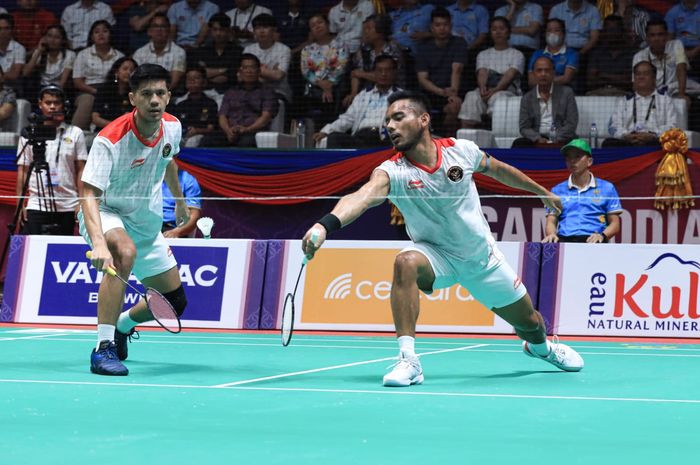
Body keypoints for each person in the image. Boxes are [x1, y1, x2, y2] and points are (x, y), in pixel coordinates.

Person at [301, 90, 584, 387]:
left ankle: (542, 349)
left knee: (531, 324)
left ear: (423, 119)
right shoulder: (391, 171)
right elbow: (361, 197)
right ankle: (408, 360)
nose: (390, 127)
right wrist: (324, 226)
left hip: (482, 260)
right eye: (387, 122)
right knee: (405, 262)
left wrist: (541, 191)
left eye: (398, 117)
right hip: (436, 256)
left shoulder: (460, 150)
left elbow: (501, 171)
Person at [81, 63, 190, 376]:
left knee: (175, 303)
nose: (154, 100)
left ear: (168, 96)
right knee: (123, 253)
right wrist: (99, 244)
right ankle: (102, 349)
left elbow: (168, 158)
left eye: (159, 93)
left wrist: (179, 200)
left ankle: (123, 326)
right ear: (132, 98)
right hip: (107, 211)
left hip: (145, 220)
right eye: (146, 94)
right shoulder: (110, 139)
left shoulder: (173, 127)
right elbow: (88, 194)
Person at [16, 85, 87, 235]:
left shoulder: (75, 133)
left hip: (68, 205)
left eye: (57, 103)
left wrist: (81, 201)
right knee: (32, 251)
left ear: (64, 105)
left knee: (60, 253)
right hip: (37, 204)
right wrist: (20, 203)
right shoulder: (29, 134)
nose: (53, 107)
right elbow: (23, 170)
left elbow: (81, 169)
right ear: (40, 104)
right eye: (48, 103)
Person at [542, 138, 622, 244]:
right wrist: (551, 234)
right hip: (565, 240)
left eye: (577, 156)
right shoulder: (557, 190)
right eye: (568, 157)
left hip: (594, 241)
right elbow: (551, 221)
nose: (572, 161)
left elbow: (615, 224)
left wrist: (602, 235)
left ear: (589, 161)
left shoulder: (607, 188)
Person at [313, 55, 400, 148]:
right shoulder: (363, 95)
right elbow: (347, 119)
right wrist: (326, 131)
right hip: (360, 138)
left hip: (383, 139)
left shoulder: (400, 97)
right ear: (374, 72)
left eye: (388, 70)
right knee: (333, 138)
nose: (383, 74)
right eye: (379, 70)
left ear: (394, 72)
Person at [458, 16, 524, 129]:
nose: (498, 32)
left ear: (508, 32)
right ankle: (465, 138)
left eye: (501, 28)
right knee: (471, 96)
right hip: (486, 90)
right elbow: (482, 72)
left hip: (507, 91)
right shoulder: (483, 54)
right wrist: (483, 87)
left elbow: (510, 75)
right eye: (494, 29)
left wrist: (496, 90)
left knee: (498, 99)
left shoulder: (517, 54)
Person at [202, 53, 278, 147]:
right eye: (245, 68)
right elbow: (222, 115)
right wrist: (228, 131)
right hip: (229, 131)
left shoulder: (267, 92)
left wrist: (247, 129)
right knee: (207, 141)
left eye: (252, 68)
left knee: (245, 143)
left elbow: (265, 117)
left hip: (253, 132)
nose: (249, 71)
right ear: (240, 72)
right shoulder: (231, 92)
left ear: (259, 71)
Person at [414, 7, 467, 137]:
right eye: (438, 25)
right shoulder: (423, 48)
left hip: (453, 90)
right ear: (431, 27)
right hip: (431, 93)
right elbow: (422, 79)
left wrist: (453, 92)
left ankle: (448, 141)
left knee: (454, 106)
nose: (442, 28)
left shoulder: (459, 43)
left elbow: (457, 70)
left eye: (445, 25)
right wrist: (441, 92)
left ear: (451, 26)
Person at [604, 61, 679, 148]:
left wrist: (653, 135)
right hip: (629, 142)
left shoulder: (665, 100)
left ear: (654, 78)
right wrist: (626, 135)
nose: (641, 77)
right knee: (608, 143)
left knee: (668, 144)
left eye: (645, 74)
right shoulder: (624, 101)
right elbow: (614, 127)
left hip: (654, 142)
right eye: (638, 74)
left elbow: (673, 126)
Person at [513, 56, 578, 147]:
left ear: (553, 73)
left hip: (561, 138)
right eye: (539, 70)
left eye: (547, 70)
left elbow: (571, 123)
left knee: (575, 145)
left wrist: (555, 138)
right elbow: (524, 127)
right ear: (534, 74)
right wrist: (537, 138)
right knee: (519, 144)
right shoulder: (527, 98)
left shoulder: (567, 93)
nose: (543, 74)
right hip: (537, 139)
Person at [71, 20, 125, 130]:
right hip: (88, 91)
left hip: (112, 90)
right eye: (97, 32)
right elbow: (78, 82)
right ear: (91, 37)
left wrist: (107, 92)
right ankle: (74, 136)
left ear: (110, 35)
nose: (101, 34)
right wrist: (98, 92)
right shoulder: (83, 54)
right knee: (88, 100)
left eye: (105, 31)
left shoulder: (119, 56)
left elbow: (121, 79)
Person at [633, 19, 690, 104]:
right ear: (647, 38)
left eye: (660, 35)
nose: (656, 39)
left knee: (685, 102)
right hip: (651, 96)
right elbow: (636, 84)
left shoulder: (676, 45)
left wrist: (681, 95)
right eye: (652, 35)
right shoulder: (639, 56)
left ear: (666, 36)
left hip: (675, 93)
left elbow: (681, 69)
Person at [187, 13, 242, 95]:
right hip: (204, 93)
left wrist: (210, 74)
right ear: (210, 31)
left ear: (228, 31)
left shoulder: (238, 51)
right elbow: (199, 74)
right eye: (215, 30)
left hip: (231, 93)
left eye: (222, 30)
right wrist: (224, 70)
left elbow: (234, 75)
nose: (218, 33)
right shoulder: (201, 51)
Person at [133, 14, 188, 93]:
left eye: (163, 26)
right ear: (149, 31)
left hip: (170, 97)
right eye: (155, 26)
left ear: (169, 30)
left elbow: (173, 82)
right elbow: (135, 80)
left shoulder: (179, 52)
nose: (159, 30)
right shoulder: (139, 53)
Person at [244, 13, 292, 103]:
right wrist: (269, 73)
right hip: (252, 90)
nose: (261, 31)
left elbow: (278, 76)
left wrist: (253, 71)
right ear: (253, 31)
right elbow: (241, 76)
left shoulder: (284, 49)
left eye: (265, 27)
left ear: (273, 30)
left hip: (278, 92)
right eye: (258, 28)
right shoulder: (248, 49)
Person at [585, 15, 634, 96]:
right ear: (604, 32)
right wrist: (619, 78)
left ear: (622, 31)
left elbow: (630, 81)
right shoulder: (596, 53)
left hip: (623, 94)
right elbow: (590, 82)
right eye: (609, 30)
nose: (612, 33)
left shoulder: (631, 54)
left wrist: (602, 75)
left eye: (615, 30)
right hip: (598, 93)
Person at [170, 66, 219, 147]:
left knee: (191, 142)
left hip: (199, 135)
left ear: (204, 82)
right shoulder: (180, 105)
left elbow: (211, 128)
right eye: (189, 78)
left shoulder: (210, 103)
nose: (191, 81)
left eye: (196, 78)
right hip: (182, 135)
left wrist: (197, 130)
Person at [21, 25, 75, 98]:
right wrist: (38, 51)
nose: (52, 40)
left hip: (59, 90)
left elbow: (63, 82)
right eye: (49, 36)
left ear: (62, 40)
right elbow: (25, 73)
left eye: (57, 37)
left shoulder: (70, 54)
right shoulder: (40, 53)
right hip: (41, 89)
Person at [527, 18, 578, 89]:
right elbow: (531, 81)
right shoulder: (537, 54)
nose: (552, 34)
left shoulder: (572, 53)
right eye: (549, 30)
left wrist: (542, 81)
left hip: (563, 91)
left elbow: (566, 78)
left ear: (564, 34)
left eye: (556, 30)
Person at [91, 57, 138, 130]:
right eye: (125, 69)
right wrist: (115, 127)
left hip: (126, 132)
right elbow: (95, 118)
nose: (128, 72)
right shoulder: (103, 89)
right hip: (103, 131)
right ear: (116, 72)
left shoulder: (135, 93)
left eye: (131, 71)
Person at [162, 168, 202, 237]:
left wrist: (176, 232)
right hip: (148, 226)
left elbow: (194, 215)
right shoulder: (149, 178)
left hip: (171, 227)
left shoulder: (188, 180)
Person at [0, 14, 26, 90]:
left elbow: (14, 74)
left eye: (6, 28)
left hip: (12, 91)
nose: (3, 32)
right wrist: (6, 74)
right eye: (0, 29)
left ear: (12, 29)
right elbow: (10, 74)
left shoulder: (19, 48)